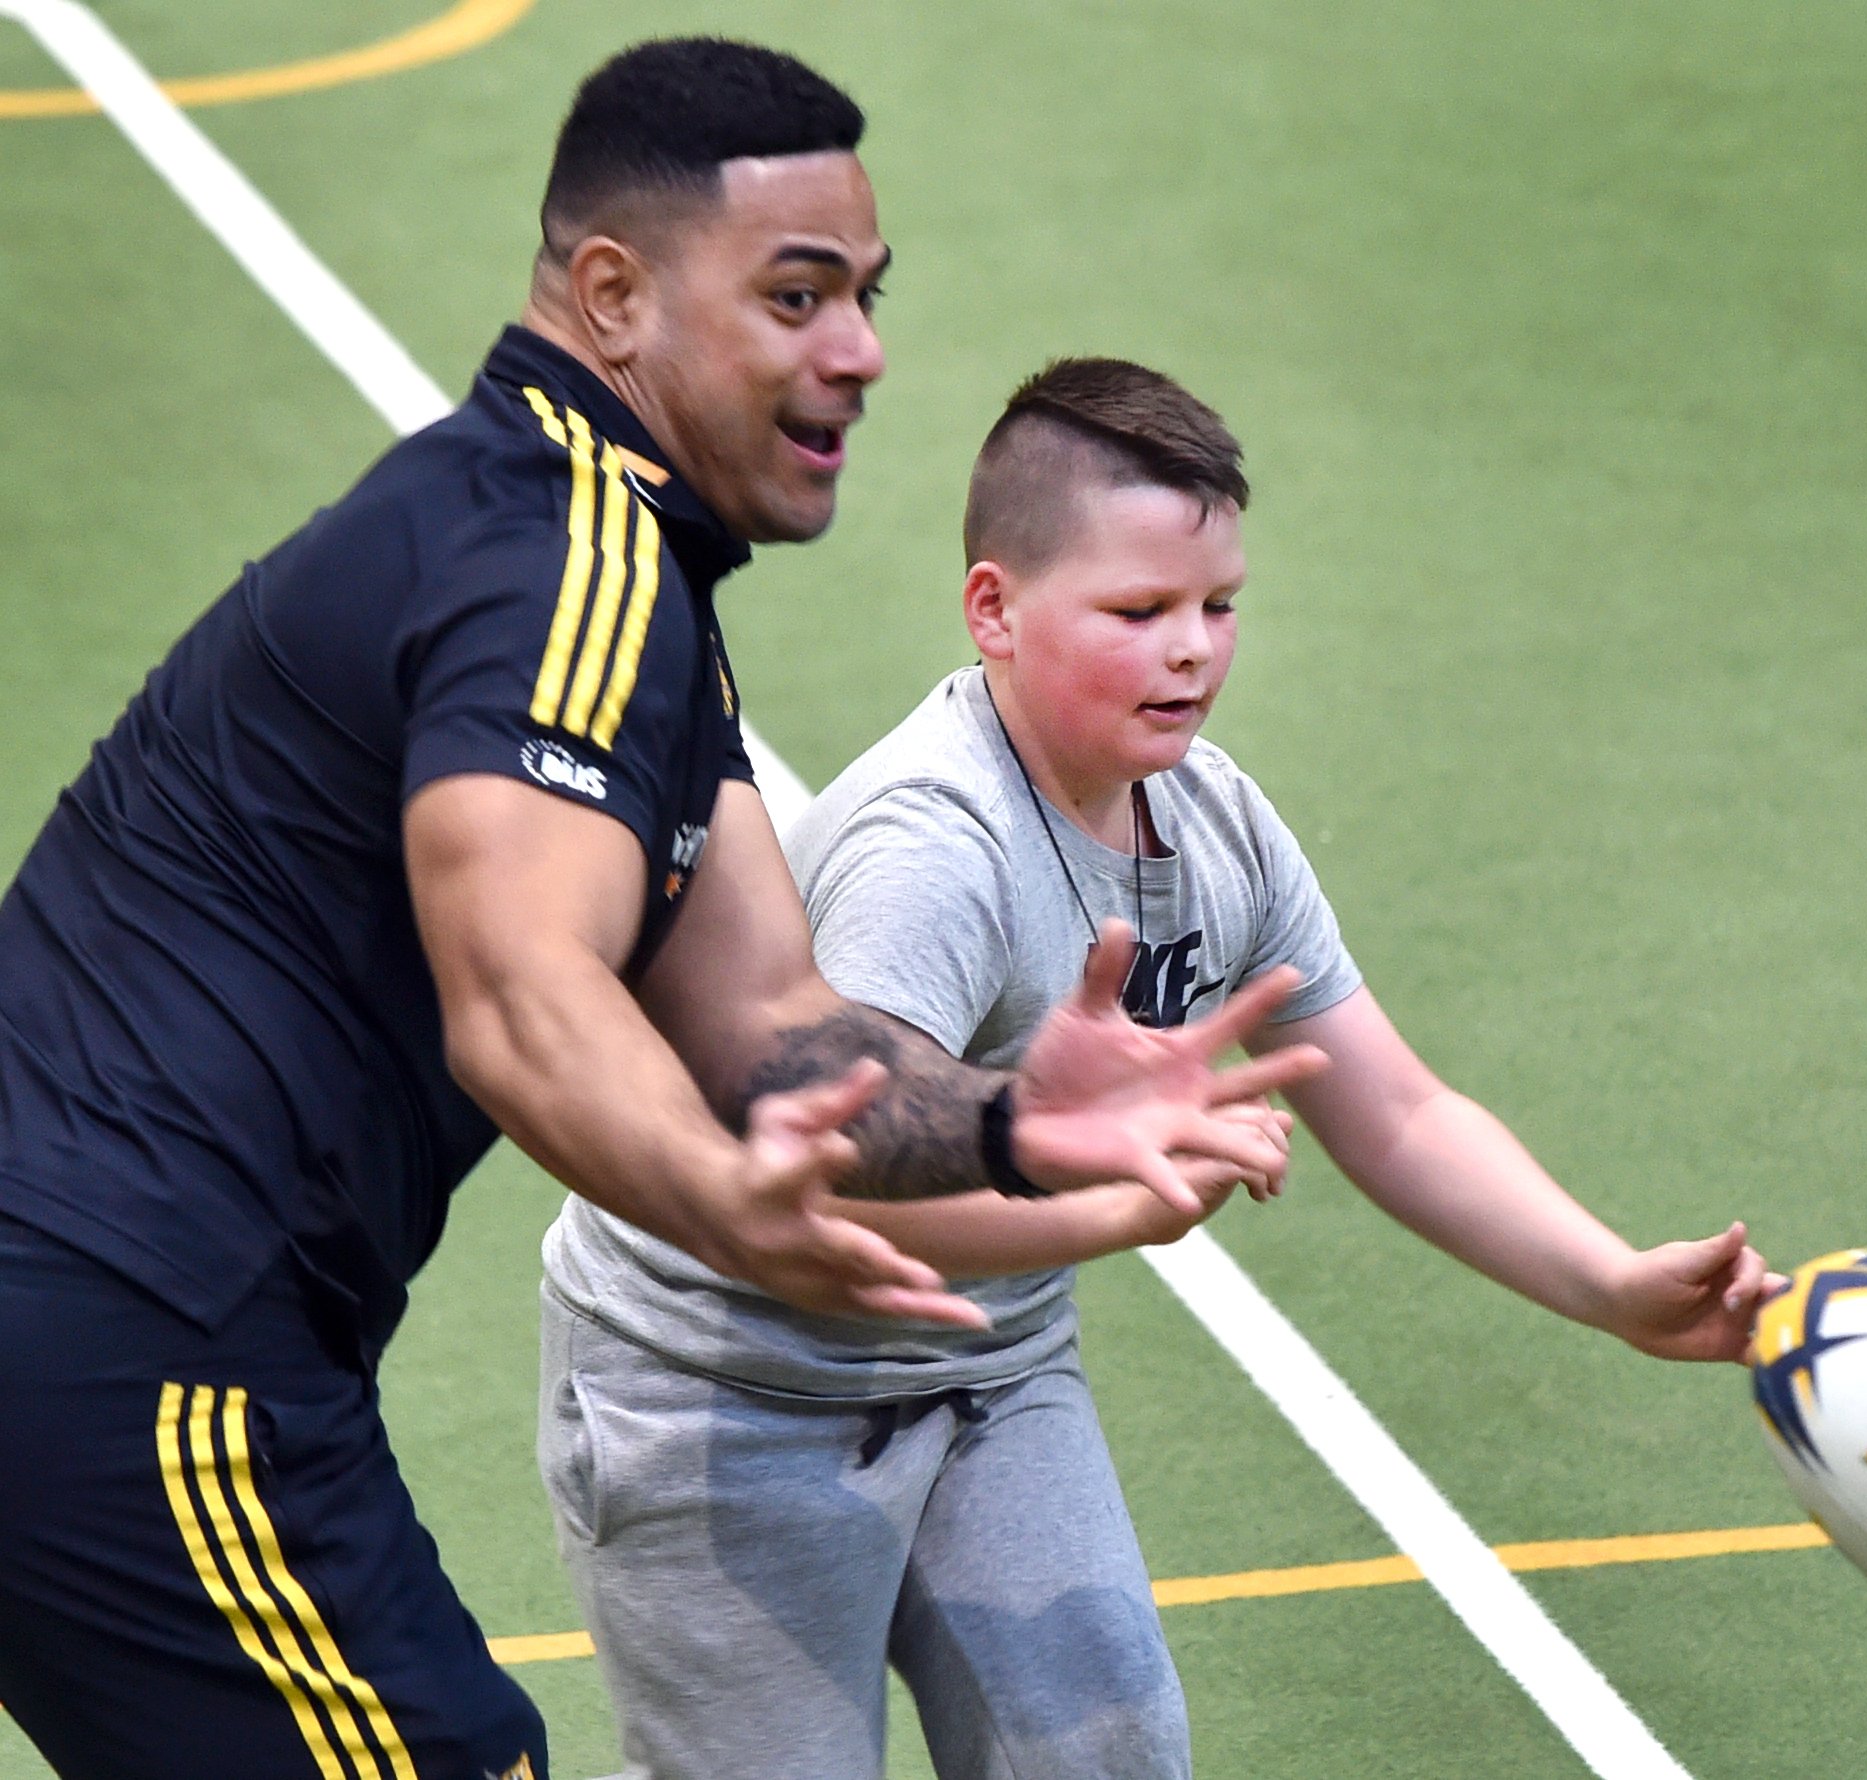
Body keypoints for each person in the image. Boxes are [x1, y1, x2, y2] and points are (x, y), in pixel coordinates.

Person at [0, 48, 1315, 1780]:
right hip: (133, 1330)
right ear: (611, 295)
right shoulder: (560, 568)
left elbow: (771, 1029)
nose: (860, 352)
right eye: (795, 295)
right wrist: (718, 1204)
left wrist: (1012, 1120)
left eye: (865, 294)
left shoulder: (603, 577)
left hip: (143, 1324)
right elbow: (528, 994)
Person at [539, 357, 1780, 1780]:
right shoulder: (932, 856)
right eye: (1139, 612)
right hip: (731, 1384)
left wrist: (1610, 1286)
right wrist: (1112, 1206)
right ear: (994, 612)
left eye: (1218, 605)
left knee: (1110, 1750)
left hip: (985, 1368)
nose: (1192, 649)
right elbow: (852, 1190)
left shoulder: (1216, 828)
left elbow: (1398, 1106)